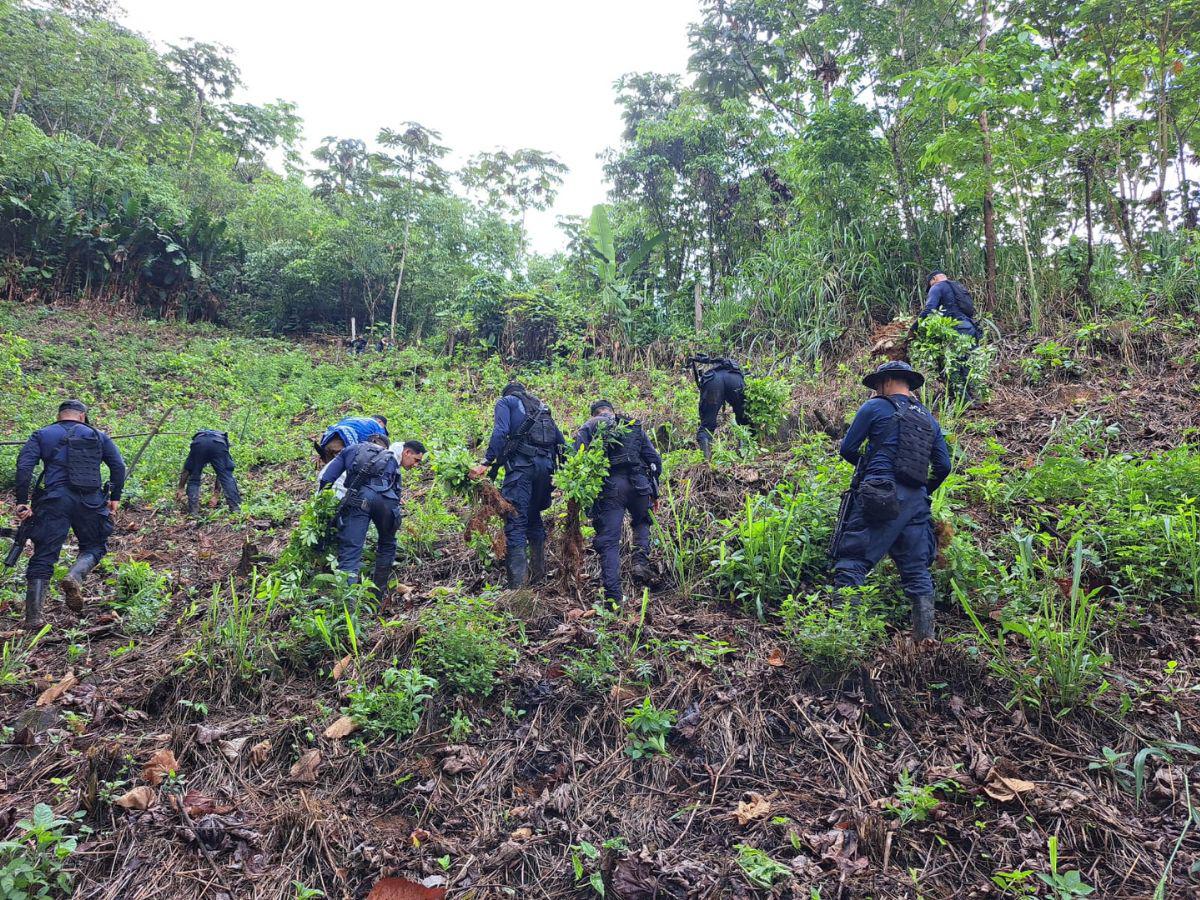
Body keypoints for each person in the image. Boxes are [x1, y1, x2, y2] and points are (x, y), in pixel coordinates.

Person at [831, 362, 951, 641]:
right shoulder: (929, 419)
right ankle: (925, 644)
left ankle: (843, 640)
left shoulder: (874, 408)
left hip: (879, 496)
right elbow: (943, 465)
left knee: (852, 563)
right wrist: (922, 489)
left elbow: (847, 449)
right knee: (916, 570)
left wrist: (870, 468)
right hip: (917, 504)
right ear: (909, 386)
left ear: (884, 383)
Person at [13, 400, 126, 629]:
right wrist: (115, 496)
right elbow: (119, 466)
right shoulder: (98, 435)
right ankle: (75, 575)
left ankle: (34, 619)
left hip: (53, 501)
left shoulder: (42, 434)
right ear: (83, 416)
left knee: (43, 555)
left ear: (59, 415)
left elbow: (24, 467)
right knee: (95, 545)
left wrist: (22, 502)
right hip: (91, 501)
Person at [469, 382, 565, 588]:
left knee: (516, 521)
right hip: (546, 470)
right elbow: (561, 442)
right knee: (533, 517)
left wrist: (486, 462)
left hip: (522, 470)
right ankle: (538, 577)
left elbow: (500, 432)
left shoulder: (507, 402)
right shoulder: (542, 407)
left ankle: (517, 588)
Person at [573, 400, 662, 603]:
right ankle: (640, 562)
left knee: (609, 542)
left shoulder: (590, 425)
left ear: (594, 413)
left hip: (612, 488)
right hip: (640, 485)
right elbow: (654, 460)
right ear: (612, 411)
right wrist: (654, 493)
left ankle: (613, 597)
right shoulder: (632, 425)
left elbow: (578, 457)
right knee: (642, 522)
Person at [318, 435, 425, 598]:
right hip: (386, 503)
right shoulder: (389, 457)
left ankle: (348, 604)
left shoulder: (350, 450)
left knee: (351, 552)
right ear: (407, 452)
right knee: (388, 544)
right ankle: (378, 598)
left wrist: (322, 503)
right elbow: (395, 490)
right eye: (416, 460)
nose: (416, 465)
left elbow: (327, 478)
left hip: (358, 501)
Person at [921, 272, 980, 397]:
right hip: (970, 328)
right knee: (967, 363)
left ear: (934, 279)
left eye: (930, 284)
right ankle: (975, 397)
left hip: (956, 329)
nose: (930, 287)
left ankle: (964, 401)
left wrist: (915, 327)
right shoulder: (958, 287)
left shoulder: (937, 287)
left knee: (953, 365)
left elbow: (929, 309)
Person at [688, 355, 750, 460]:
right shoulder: (735, 371)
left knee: (706, 427)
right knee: (745, 421)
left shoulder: (712, 374)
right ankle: (745, 456)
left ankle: (707, 462)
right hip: (735, 380)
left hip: (712, 381)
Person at [177, 430, 241, 515]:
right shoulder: (222, 442)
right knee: (226, 477)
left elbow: (187, 469)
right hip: (218, 443)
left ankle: (193, 513)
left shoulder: (200, 439)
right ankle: (236, 510)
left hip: (199, 444)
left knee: (194, 478)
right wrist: (216, 495)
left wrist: (181, 487)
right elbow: (222, 474)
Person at [316, 414, 389, 463]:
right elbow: (381, 448)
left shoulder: (352, 419)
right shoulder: (377, 426)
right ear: (379, 421)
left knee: (329, 471)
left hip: (328, 439)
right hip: (343, 443)